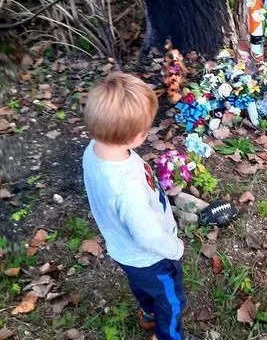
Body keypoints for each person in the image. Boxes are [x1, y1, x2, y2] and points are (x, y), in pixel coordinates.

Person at [82, 72, 196, 340]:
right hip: (152, 258)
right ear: (134, 137)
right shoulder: (127, 187)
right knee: (171, 300)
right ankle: (169, 335)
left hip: (124, 251)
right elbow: (148, 236)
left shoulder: (94, 149)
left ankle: (148, 314)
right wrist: (174, 248)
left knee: (142, 287)